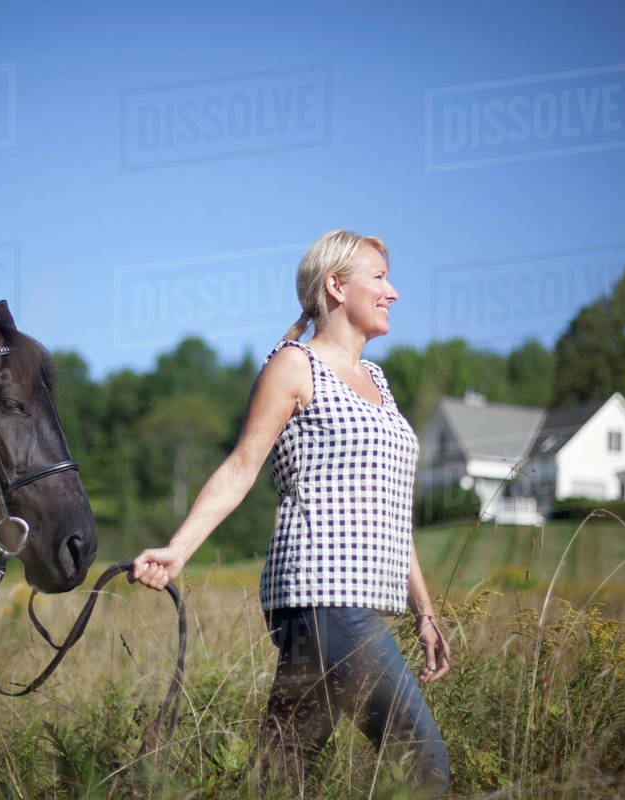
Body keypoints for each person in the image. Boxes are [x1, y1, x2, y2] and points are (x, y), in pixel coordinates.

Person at [131, 230, 450, 793]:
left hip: (346, 606)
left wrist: (423, 611)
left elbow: (389, 512)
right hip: (324, 597)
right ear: (336, 286)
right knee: (425, 766)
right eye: (378, 277)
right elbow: (241, 466)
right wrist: (178, 550)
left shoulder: (378, 381)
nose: (393, 291)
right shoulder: (294, 366)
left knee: (281, 778)